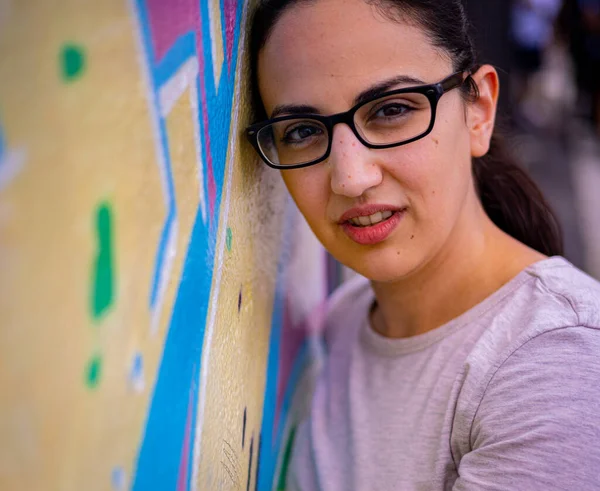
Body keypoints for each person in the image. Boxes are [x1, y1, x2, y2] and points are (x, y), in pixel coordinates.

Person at [245, 0, 600, 488]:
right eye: (303, 131)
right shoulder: (343, 322)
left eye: (392, 110)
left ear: (479, 111)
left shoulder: (557, 364)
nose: (351, 177)